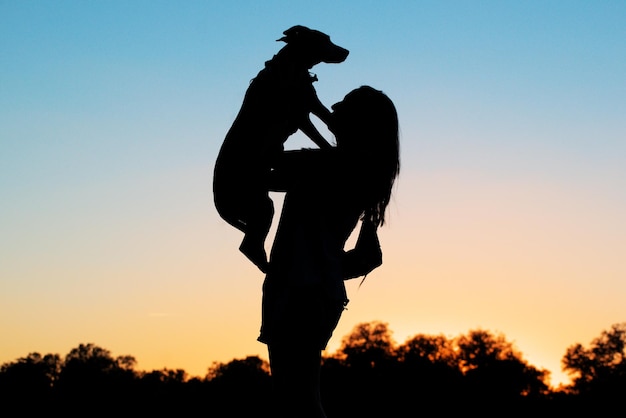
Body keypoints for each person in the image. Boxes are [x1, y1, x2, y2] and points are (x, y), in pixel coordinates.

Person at [258, 86, 400, 417]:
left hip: (297, 290)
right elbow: (370, 256)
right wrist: (325, 267)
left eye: (345, 105)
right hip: (315, 291)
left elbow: (259, 164)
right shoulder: (360, 170)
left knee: (296, 400)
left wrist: (282, 116)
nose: (334, 105)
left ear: (361, 121)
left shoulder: (325, 164)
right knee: (300, 396)